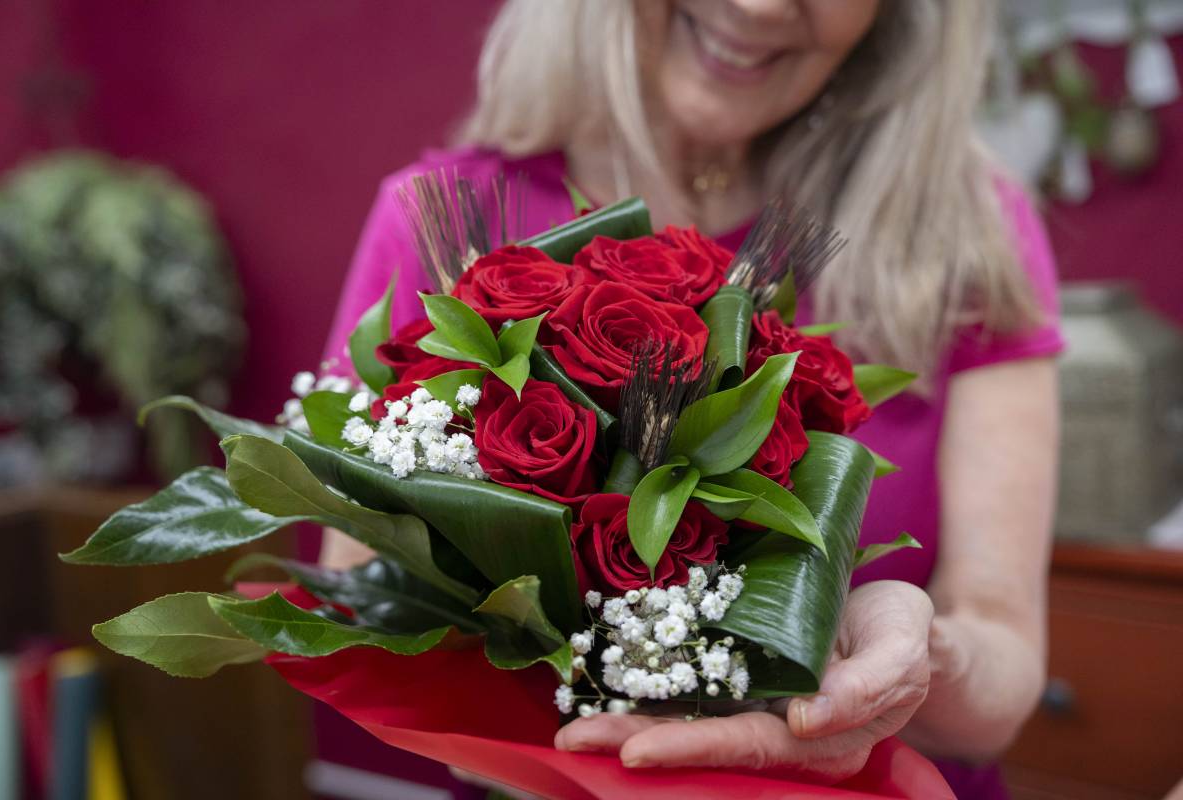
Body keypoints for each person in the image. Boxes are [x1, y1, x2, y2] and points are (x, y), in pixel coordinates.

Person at [320, 1, 1063, 797]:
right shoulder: (451, 223)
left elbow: (1000, 669)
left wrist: (916, 656)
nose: (760, 4)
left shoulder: (960, 233)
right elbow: (365, 587)